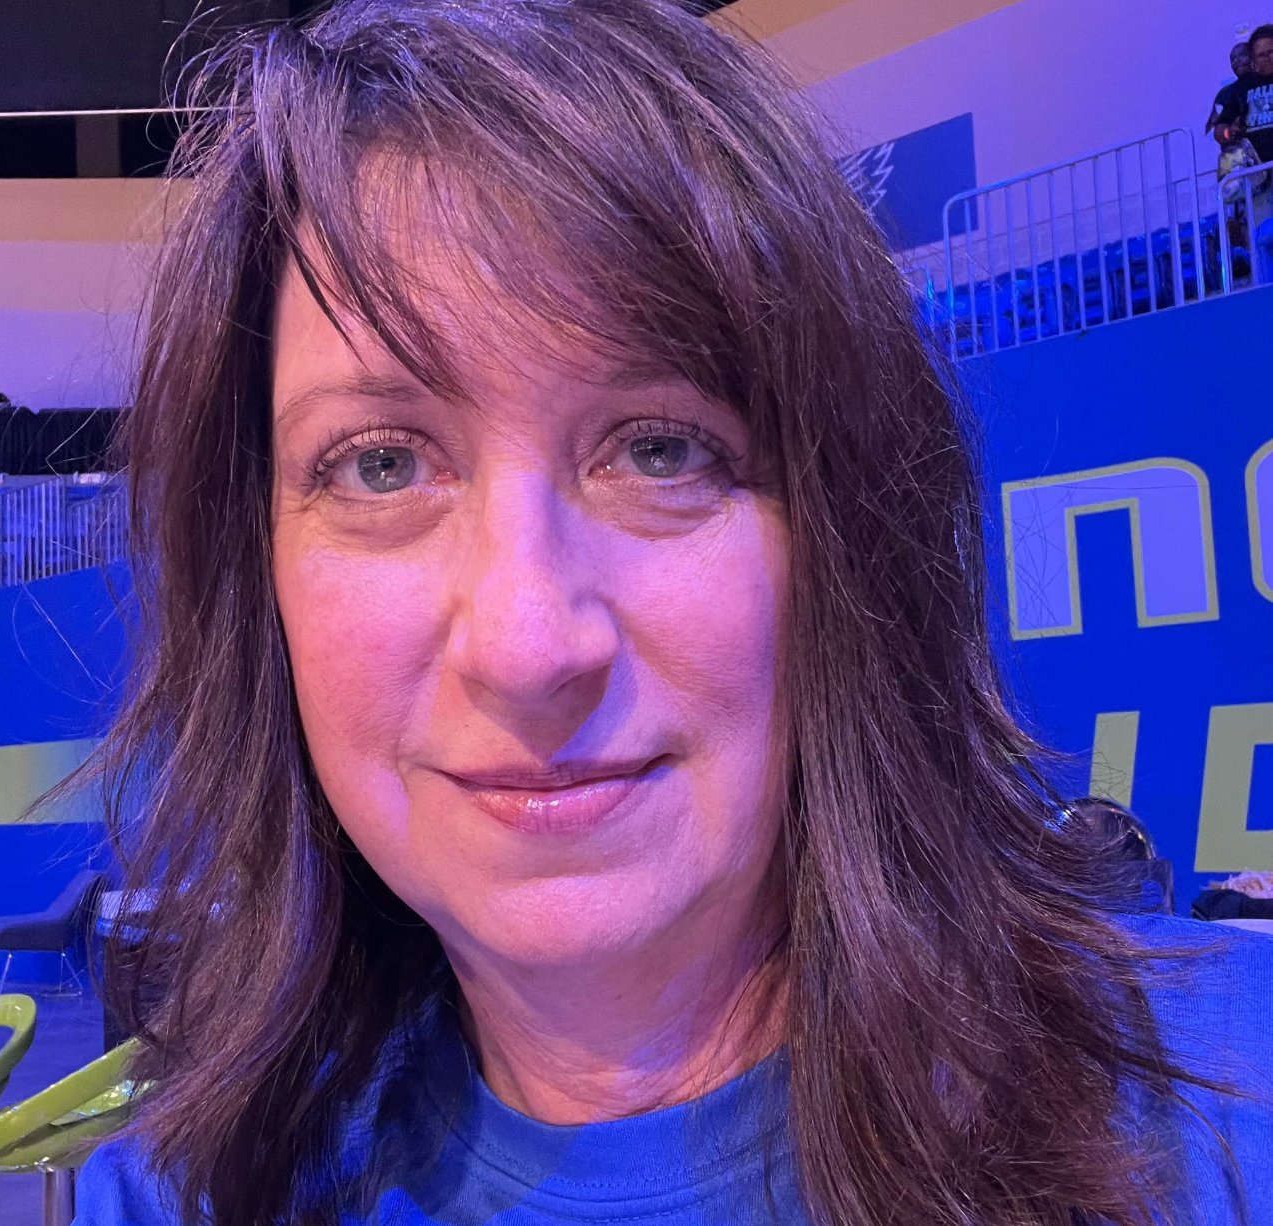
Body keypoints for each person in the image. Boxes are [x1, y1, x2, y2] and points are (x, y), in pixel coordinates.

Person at [69, 1, 1272, 1223]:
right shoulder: (180, 1198)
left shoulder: (1232, 1092)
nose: (528, 644)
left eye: (658, 450)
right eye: (381, 464)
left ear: (846, 540)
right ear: (256, 576)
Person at [1212, 24, 1273, 164]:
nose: (1268, 58)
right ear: (1254, 59)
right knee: (1228, 159)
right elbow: (1221, 127)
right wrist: (1228, 132)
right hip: (1256, 167)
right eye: (1261, 55)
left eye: (1271, 52)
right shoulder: (1241, 88)